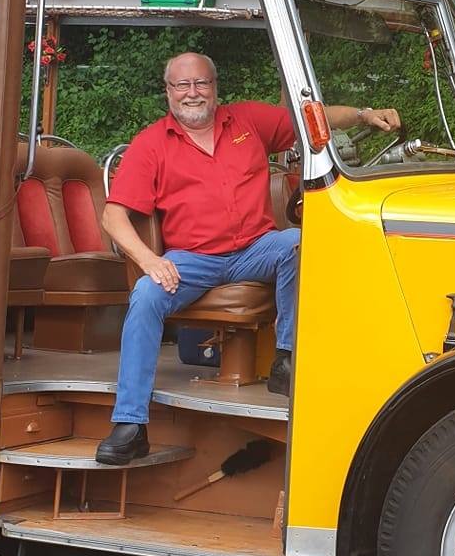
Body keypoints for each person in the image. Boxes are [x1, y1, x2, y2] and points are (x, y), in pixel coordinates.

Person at [95, 52, 399, 463]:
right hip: (193, 259)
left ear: (215, 87)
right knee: (146, 296)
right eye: (182, 86)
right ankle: (131, 424)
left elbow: (314, 118)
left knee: (299, 243)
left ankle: (286, 361)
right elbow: (112, 217)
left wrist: (365, 115)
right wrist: (150, 260)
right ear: (168, 92)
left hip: (256, 248)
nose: (192, 93)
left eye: (201, 83)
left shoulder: (248, 121)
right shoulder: (150, 144)